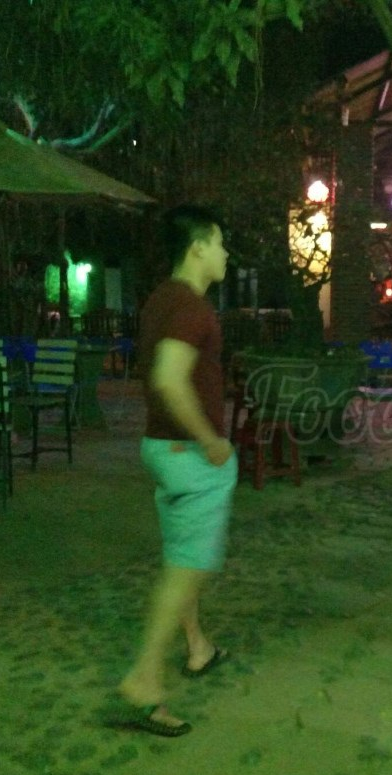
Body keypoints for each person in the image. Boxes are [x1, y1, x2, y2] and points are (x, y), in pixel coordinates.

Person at [115, 205, 236, 737]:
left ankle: (197, 646)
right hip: (190, 455)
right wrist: (211, 441)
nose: (226, 254)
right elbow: (168, 377)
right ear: (198, 247)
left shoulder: (161, 299)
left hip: (161, 448)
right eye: (220, 243)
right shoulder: (191, 307)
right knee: (187, 567)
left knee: (181, 556)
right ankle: (144, 679)